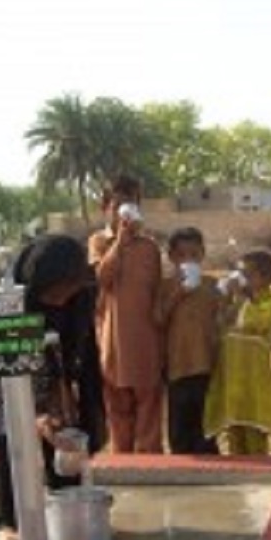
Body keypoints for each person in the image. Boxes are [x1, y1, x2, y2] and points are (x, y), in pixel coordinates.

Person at [0, 235, 105, 540]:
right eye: (56, 292)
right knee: (10, 435)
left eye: (69, 290)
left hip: (60, 357)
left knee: (66, 432)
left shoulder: (81, 293)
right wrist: (35, 414)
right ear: (39, 283)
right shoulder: (9, 302)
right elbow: (3, 374)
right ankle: (9, 523)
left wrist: (65, 401)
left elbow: (78, 350)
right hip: (10, 369)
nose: (62, 299)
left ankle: (68, 502)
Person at [87, 175, 164, 453]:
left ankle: (151, 469)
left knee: (149, 417)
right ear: (105, 207)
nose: (125, 211)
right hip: (113, 345)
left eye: (132, 204)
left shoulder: (150, 248)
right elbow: (101, 277)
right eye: (118, 205)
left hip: (146, 345)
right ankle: (123, 468)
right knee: (119, 416)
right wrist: (120, 239)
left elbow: (157, 296)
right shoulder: (99, 242)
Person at [204, 249, 271, 454]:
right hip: (232, 378)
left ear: (267, 278)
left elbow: (252, 322)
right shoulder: (237, 301)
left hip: (254, 379)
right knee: (235, 427)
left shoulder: (270, 302)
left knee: (254, 429)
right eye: (240, 273)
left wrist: (242, 298)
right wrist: (228, 299)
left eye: (248, 275)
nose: (242, 279)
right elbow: (222, 322)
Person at [156, 227, 221, 454]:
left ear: (203, 254)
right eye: (182, 255)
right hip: (177, 368)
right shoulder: (164, 286)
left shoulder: (212, 285)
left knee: (206, 429)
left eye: (194, 254)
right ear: (171, 257)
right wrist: (178, 294)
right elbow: (158, 319)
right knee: (179, 430)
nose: (188, 260)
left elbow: (223, 318)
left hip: (206, 365)